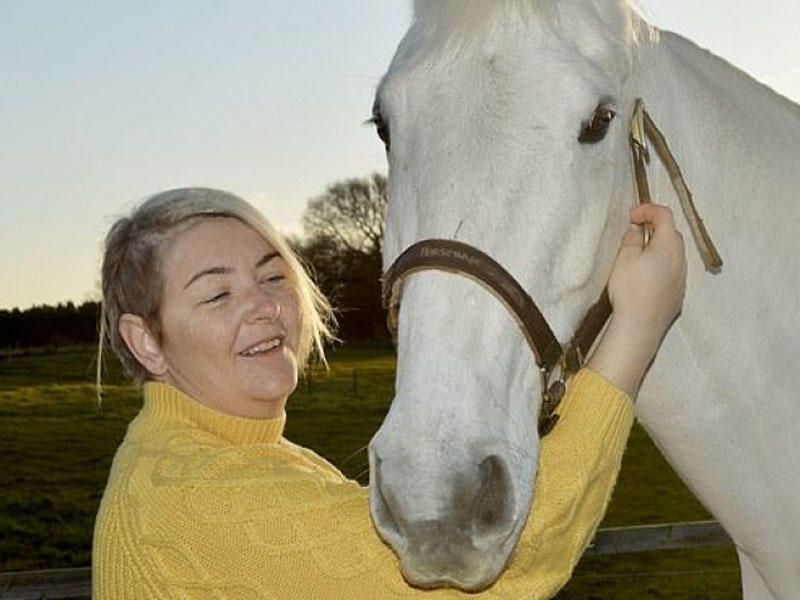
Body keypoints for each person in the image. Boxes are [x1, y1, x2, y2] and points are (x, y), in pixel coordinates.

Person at [92, 187, 685, 599]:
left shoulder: (225, 458)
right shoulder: (194, 497)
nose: (265, 305)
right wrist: (637, 323)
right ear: (146, 342)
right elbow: (491, 576)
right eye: (217, 295)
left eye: (273, 276)